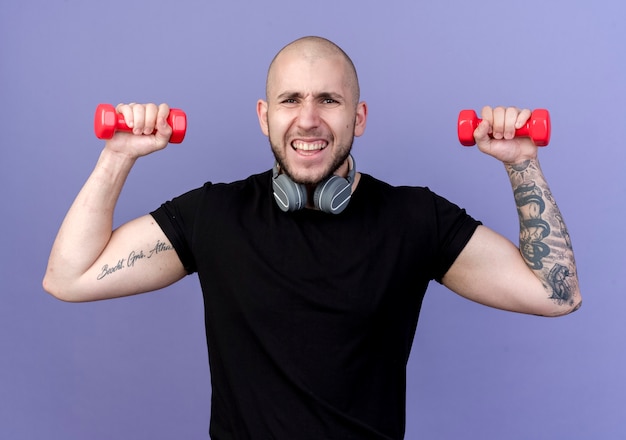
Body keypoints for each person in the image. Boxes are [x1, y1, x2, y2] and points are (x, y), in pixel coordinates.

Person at [43, 36, 581, 439]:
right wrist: (117, 157)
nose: (307, 120)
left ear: (359, 116)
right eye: (289, 100)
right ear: (263, 116)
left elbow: (555, 295)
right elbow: (69, 278)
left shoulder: (415, 218)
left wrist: (521, 163)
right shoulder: (214, 214)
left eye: (328, 100)